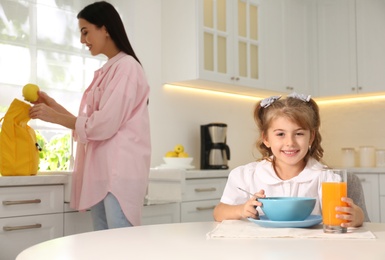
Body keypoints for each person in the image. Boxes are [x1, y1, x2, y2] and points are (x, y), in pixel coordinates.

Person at [29, 1, 151, 230]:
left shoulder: (127, 68)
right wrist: (53, 106)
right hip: (102, 175)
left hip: (118, 175)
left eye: (86, 32)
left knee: (120, 247)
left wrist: (53, 117)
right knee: (103, 247)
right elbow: (88, 124)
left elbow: (102, 125)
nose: (82, 40)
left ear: (105, 28)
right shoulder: (110, 69)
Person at [213, 93, 364, 228]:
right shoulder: (245, 175)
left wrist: (357, 216)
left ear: (310, 137)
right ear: (266, 138)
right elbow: (219, 213)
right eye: (280, 134)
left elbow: (350, 218)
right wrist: (241, 209)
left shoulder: (327, 179)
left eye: (298, 133)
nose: (290, 142)